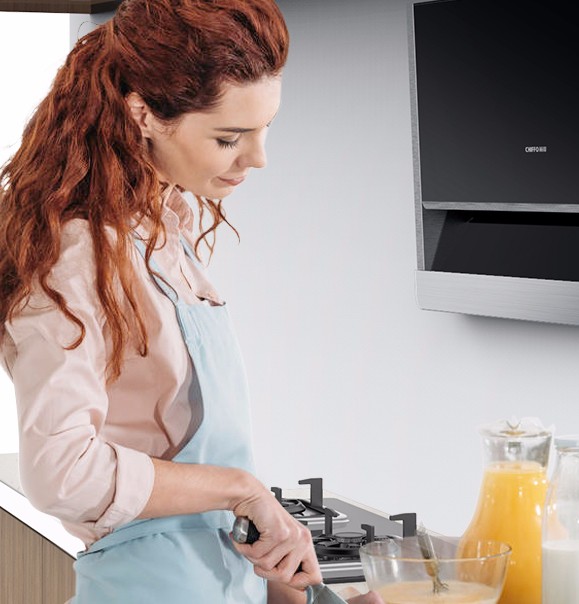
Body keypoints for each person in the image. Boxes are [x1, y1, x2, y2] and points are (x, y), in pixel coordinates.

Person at [0, 1, 383, 602]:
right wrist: (240, 489)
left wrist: (282, 584)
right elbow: (61, 471)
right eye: (229, 138)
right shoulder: (78, 255)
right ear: (144, 115)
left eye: (265, 128)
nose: (258, 158)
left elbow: (186, 472)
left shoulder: (162, 234)